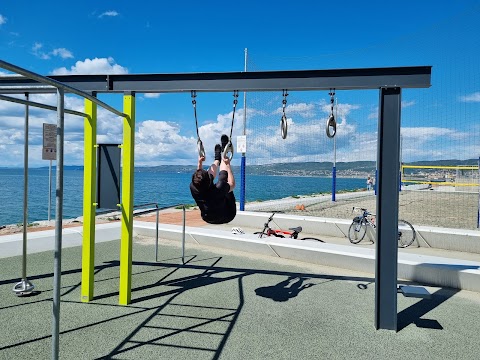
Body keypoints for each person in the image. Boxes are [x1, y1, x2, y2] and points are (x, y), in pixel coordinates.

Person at [190, 134, 236, 224]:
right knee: (225, 182)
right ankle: (224, 156)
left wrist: (199, 162)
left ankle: (217, 159)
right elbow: (232, 184)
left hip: (208, 218)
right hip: (228, 215)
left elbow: (198, 175)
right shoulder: (219, 188)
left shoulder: (193, 187)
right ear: (210, 180)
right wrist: (228, 165)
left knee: (221, 186)